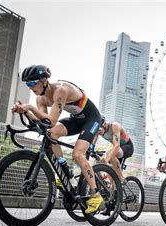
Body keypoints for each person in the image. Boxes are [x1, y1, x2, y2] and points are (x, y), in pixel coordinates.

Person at [12, 65, 102, 214]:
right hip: (76, 119)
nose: (30, 87)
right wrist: (25, 111)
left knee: (78, 154)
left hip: (92, 118)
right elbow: (44, 123)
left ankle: (96, 195)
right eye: (27, 84)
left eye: (33, 83)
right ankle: (65, 170)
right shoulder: (40, 98)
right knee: (51, 135)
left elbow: (52, 120)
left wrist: (30, 108)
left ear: (44, 80)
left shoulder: (60, 90)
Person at [95, 114, 134, 183]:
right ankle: (113, 188)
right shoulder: (99, 132)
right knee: (109, 167)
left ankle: (121, 178)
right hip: (118, 150)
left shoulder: (114, 126)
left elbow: (116, 146)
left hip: (128, 147)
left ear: (104, 124)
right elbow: (92, 144)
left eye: (100, 129)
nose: (99, 131)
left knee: (109, 154)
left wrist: (106, 159)